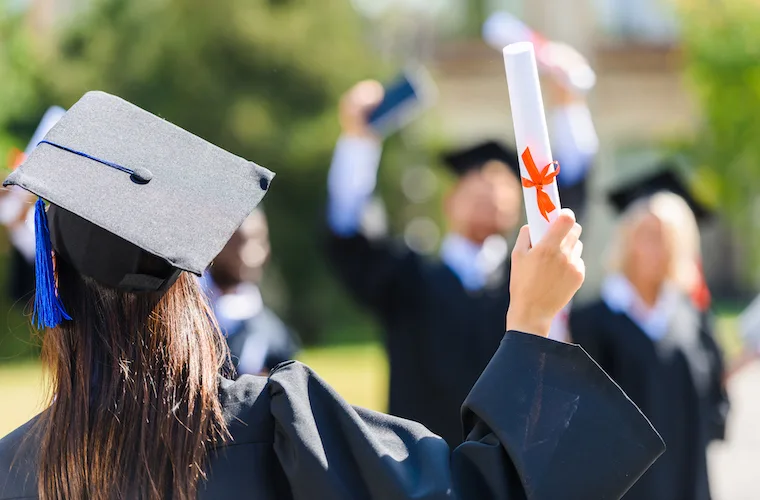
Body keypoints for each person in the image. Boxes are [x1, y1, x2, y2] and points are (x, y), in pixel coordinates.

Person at [0, 91, 665, 499]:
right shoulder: (278, 427)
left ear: (53, 277)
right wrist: (530, 323)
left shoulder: (15, 468)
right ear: (185, 274)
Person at [325, 77, 598, 447]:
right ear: (449, 201)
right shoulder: (409, 281)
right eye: (475, 181)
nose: (489, 188)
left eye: (501, 182)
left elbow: (566, 213)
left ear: (517, 205)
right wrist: (359, 142)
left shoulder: (531, 281)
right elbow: (349, 233)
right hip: (420, 472)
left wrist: (569, 108)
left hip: (509, 472)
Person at [569, 173, 729, 500]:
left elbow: (715, 401)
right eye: (649, 235)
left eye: (671, 236)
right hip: (621, 486)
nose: (661, 247)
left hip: (687, 476)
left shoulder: (693, 319)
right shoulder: (591, 321)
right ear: (626, 239)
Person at [202, 209, 300, 376]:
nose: (255, 255)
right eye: (241, 242)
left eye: (261, 242)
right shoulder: (185, 308)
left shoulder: (273, 335)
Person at [0, 107, 66, 305]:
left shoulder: (7, 202)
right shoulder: (6, 212)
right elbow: (24, 203)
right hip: (44, 248)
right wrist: (27, 178)